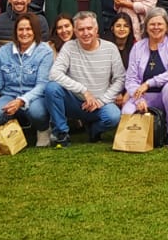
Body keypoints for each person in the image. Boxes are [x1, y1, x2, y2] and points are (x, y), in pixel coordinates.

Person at [45, 11, 124, 147]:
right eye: (81, 29)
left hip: (100, 104)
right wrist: (83, 91)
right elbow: (54, 73)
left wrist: (101, 101)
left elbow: (120, 79)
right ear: (75, 31)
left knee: (113, 117)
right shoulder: (69, 47)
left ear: (96, 29)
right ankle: (62, 134)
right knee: (52, 88)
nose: (85, 33)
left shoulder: (110, 48)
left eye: (89, 28)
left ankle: (94, 130)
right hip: (74, 101)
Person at [0, 13, 54, 144]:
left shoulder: (45, 51)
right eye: (20, 29)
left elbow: (42, 85)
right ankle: (14, 131)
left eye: (28, 29)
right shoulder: (4, 51)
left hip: (35, 96)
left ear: (35, 31)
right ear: (15, 32)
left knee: (37, 112)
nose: (24, 33)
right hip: (10, 94)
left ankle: (43, 129)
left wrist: (22, 100)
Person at [122, 7, 168, 148]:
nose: (156, 27)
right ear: (146, 26)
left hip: (167, 96)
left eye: (160, 24)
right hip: (144, 96)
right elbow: (131, 78)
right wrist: (138, 98)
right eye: (152, 24)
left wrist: (149, 83)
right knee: (126, 113)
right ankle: (142, 136)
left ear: (166, 26)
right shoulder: (138, 47)